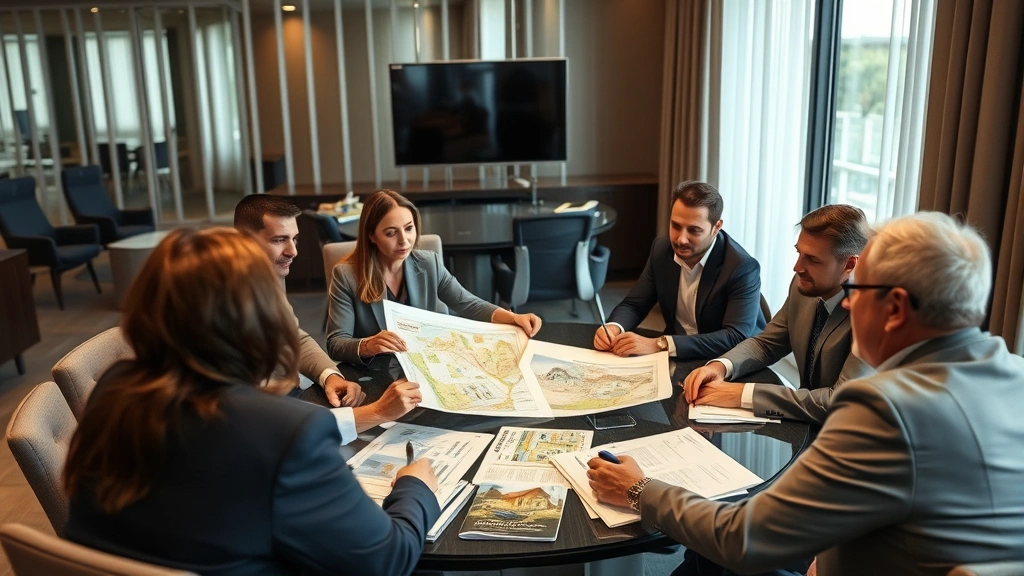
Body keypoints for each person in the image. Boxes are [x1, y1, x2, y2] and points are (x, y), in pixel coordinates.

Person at [587, 212, 1024, 576]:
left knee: (713, 555)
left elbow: (744, 538)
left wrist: (640, 488)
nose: (848, 304)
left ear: (893, 309)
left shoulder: (884, 408)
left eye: (859, 290)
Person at [64, 228, 441, 576]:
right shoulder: (282, 434)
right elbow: (387, 560)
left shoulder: (113, 388)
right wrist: (414, 487)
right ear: (261, 319)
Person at [234, 194, 422, 442]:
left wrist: (329, 375)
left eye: (295, 239)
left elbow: (293, 337)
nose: (293, 251)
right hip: (266, 419)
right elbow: (270, 424)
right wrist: (377, 412)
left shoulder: (268, 272)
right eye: (279, 240)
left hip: (290, 396)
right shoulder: (223, 304)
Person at [683, 204, 873, 424]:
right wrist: (721, 366)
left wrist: (741, 395)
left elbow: (839, 403)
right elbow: (767, 343)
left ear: (849, 264)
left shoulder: (875, 315)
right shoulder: (806, 283)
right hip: (807, 425)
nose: (797, 267)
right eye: (798, 252)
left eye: (812, 259)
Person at [326, 189, 542, 364]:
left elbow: (469, 304)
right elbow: (336, 343)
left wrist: (514, 318)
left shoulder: (429, 263)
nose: (404, 241)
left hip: (425, 362)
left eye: (409, 229)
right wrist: (367, 345)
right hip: (377, 369)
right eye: (391, 233)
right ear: (371, 235)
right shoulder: (346, 276)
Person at [594, 180, 765, 359]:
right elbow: (635, 305)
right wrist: (614, 327)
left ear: (716, 227)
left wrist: (661, 344)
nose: (681, 239)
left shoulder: (742, 267)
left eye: (694, 230)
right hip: (678, 354)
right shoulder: (661, 250)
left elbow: (735, 336)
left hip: (726, 359)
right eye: (675, 226)